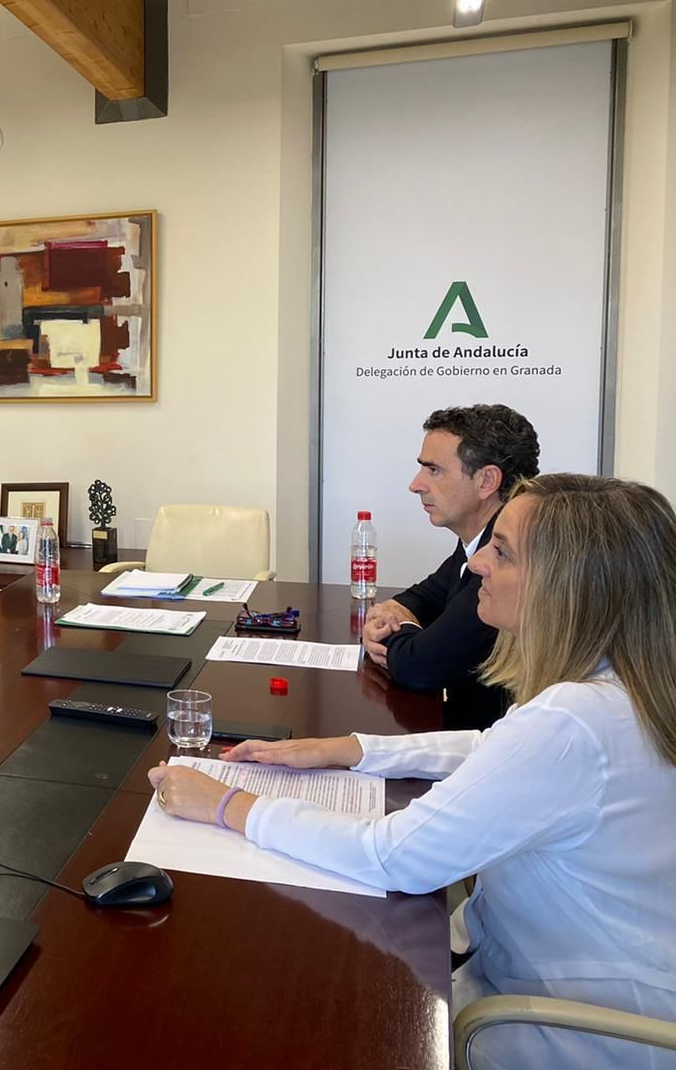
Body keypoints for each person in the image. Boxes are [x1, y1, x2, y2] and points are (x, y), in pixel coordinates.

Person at [149, 474, 676, 1070]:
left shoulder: (573, 720)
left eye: (501, 552)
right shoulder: (623, 688)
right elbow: (493, 749)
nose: (477, 565)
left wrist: (226, 805)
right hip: (589, 977)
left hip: (567, 1028)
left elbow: (393, 858)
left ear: (571, 587)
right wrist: (350, 748)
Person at [362, 404, 540, 729]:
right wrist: (390, 611)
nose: (415, 484)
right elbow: (426, 595)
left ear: (487, 480)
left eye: (434, 470)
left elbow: (420, 667)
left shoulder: (508, 559)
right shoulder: (478, 537)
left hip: (489, 752)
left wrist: (388, 631)